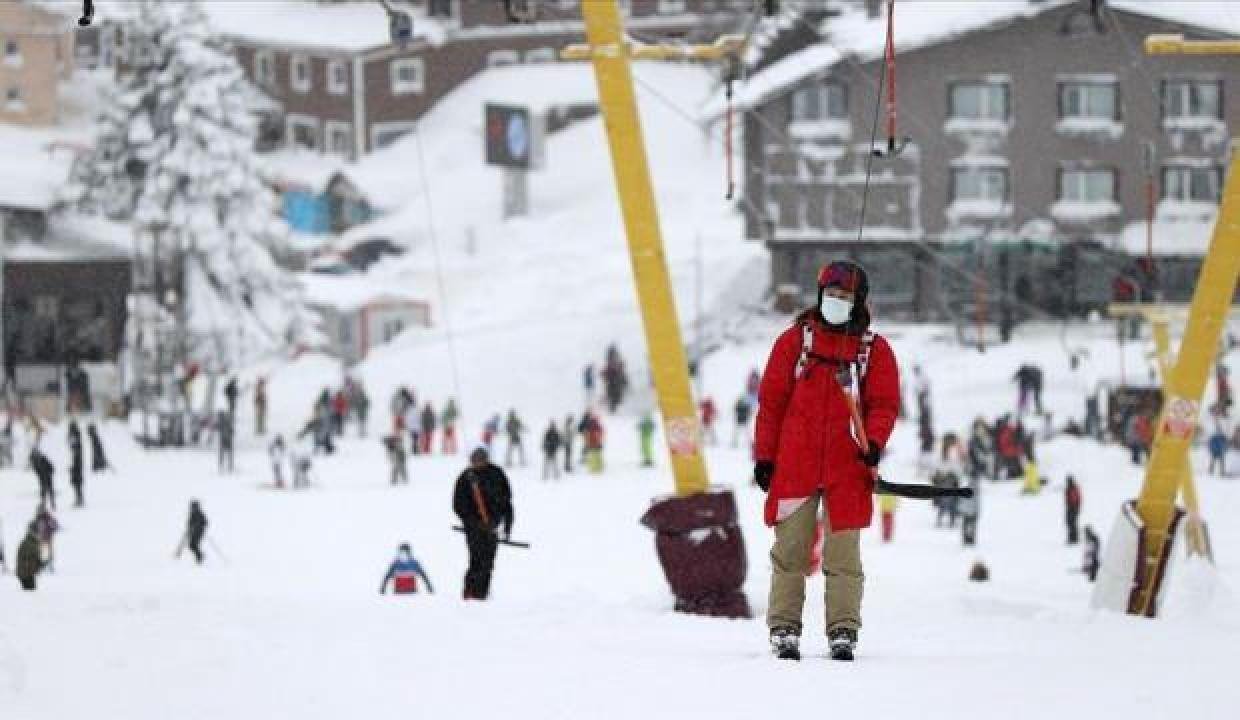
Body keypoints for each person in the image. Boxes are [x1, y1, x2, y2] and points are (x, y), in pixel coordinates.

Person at [753, 261, 900, 662]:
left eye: (845, 297)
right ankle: (784, 627)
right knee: (790, 551)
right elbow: (771, 404)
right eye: (831, 295)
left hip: (848, 468)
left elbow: (884, 404)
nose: (836, 302)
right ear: (820, 296)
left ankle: (843, 630)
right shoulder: (793, 343)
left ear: (858, 301)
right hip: (794, 465)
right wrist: (765, 457)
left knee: (843, 556)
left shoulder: (873, 351)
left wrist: (874, 441)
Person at [452, 446, 513, 600]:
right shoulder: (466, 477)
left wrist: (506, 527)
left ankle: (482, 594)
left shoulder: (497, 474)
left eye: (479, 461)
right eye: (474, 461)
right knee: (476, 560)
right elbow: (459, 505)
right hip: (474, 529)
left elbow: (506, 502)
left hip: (493, 527)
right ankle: (469, 593)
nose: (476, 464)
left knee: (488, 563)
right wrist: (474, 523)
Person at [16, 522, 44, 591]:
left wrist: (40, 563)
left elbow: (35, 557)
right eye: (38, 532)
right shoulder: (29, 543)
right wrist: (39, 563)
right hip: (26, 573)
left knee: (31, 592)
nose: (40, 534)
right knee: (30, 592)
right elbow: (26, 559)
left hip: (28, 572)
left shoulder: (33, 542)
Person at [32, 503, 59, 573]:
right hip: (40, 538)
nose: (39, 512)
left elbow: (55, 525)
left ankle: (50, 564)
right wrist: (35, 533)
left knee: (49, 552)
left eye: (41, 510)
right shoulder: (37, 519)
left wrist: (53, 529)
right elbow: (32, 527)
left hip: (48, 538)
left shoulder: (48, 517)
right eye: (39, 510)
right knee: (40, 552)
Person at [182, 500, 208, 564]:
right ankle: (200, 556)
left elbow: (205, 522)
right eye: (192, 507)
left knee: (193, 544)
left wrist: (199, 525)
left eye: (194, 507)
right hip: (193, 532)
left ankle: (200, 557)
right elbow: (189, 523)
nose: (193, 508)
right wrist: (188, 530)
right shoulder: (192, 515)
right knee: (191, 545)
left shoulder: (200, 514)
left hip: (199, 532)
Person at [68, 420, 85, 507]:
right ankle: (79, 498)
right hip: (76, 463)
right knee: (76, 483)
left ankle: (79, 499)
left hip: (76, 464)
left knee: (76, 482)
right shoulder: (76, 437)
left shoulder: (75, 438)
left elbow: (74, 450)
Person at [1065, 475, 1082, 545]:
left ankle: (1074, 539)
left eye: (1068, 481)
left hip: (1073, 507)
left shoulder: (1073, 488)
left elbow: (1076, 498)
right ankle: (1072, 538)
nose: (1067, 482)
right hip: (1071, 507)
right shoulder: (1069, 488)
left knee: (1072, 523)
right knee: (1070, 522)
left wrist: (1076, 507)